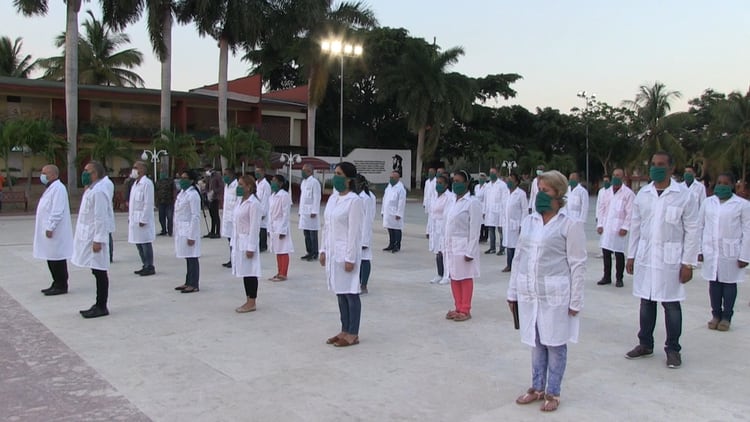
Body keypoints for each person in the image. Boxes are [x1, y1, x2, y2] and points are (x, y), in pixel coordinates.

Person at [507, 170, 586, 412]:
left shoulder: (569, 225)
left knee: (556, 343)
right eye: (538, 190)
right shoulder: (529, 221)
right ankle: (536, 386)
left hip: (556, 295)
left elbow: (578, 264)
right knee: (536, 340)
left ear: (558, 194)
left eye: (545, 191)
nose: (540, 195)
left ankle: (553, 391)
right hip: (530, 292)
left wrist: (576, 301)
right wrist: (513, 293)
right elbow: (519, 256)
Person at [625, 151, 700, 369]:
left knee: (671, 305)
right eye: (653, 164)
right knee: (646, 302)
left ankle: (673, 349)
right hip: (647, 257)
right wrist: (631, 255)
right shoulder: (643, 194)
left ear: (671, 168)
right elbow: (636, 227)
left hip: (671, 260)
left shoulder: (684, 195)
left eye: (661, 164)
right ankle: (645, 344)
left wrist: (688, 263)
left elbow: (693, 230)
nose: (656, 167)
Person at [698, 173, 750, 332]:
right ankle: (715, 315)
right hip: (711, 250)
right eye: (719, 182)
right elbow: (700, 226)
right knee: (713, 283)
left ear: (733, 185)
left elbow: (748, 231)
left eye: (726, 183)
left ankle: (726, 317)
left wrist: (745, 255)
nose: (722, 185)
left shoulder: (742, 204)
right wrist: (699, 249)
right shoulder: (708, 202)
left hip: (732, 251)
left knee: (728, 283)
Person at [321, 162, 364, 347]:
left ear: (348, 179)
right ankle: (344, 329)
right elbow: (327, 227)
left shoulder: (354, 201)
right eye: (334, 173)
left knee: (351, 293)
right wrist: (323, 250)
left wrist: (350, 258)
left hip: (346, 253)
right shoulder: (333, 199)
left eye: (338, 174)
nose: (335, 177)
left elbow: (355, 233)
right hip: (332, 252)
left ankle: (353, 332)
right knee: (340, 292)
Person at [71, 161, 114, 318]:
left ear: (95, 173)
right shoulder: (92, 189)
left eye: (87, 171)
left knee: (100, 271)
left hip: (95, 237)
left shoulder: (99, 191)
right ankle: (98, 304)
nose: (84, 173)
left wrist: (98, 240)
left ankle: (102, 305)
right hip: (88, 235)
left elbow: (100, 218)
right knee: (96, 271)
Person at [444, 170, 482, 322]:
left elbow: (475, 229)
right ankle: (458, 306)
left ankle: (465, 309)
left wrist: (470, 251)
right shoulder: (452, 201)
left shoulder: (472, 203)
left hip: (464, 245)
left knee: (465, 277)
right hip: (451, 244)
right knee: (454, 276)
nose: (456, 184)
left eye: (459, 181)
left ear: (467, 183)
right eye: (454, 181)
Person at [34, 164, 74, 296]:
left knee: (57, 258)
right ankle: (55, 282)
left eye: (45, 173)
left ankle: (61, 284)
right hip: (48, 230)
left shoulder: (59, 189)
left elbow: (57, 210)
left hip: (55, 230)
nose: (42, 175)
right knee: (50, 257)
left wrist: (51, 226)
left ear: (53, 174)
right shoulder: (51, 188)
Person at [596, 169, 635, 287]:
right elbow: (601, 209)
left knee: (619, 254)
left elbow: (630, 212)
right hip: (607, 227)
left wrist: (625, 227)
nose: (615, 177)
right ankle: (606, 276)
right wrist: (600, 224)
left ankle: (619, 278)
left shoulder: (628, 194)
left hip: (619, 229)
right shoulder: (606, 192)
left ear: (623, 177)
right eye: (614, 175)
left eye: (618, 175)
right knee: (606, 253)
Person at [231, 174, 262, 313]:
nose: (238, 187)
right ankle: (248, 299)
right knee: (244, 271)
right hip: (239, 240)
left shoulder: (254, 204)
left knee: (250, 272)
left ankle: (252, 301)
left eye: (241, 185)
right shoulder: (240, 201)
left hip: (248, 241)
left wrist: (251, 247)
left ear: (249, 187)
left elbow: (255, 227)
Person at [173, 170, 202, 293]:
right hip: (181, 229)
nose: (181, 180)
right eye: (181, 177)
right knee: (187, 257)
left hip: (189, 230)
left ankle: (194, 284)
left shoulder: (193, 195)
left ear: (191, 180)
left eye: (185, 178)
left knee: (192, 257)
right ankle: (188, 281)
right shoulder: (182, 193)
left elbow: (195, 216)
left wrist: (192, 235)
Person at [128, 161, 156, 276]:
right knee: (138, 243)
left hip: (143, 219)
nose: (134, 170)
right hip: (135, 218)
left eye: (136, 168)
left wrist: (144, 219)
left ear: (143, 170)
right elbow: (132, 203)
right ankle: (144, 264)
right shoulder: (135, 184)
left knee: (145, 243)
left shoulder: (147, 183)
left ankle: (150, 266)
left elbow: (148, 203)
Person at [428, 174, 455, 284]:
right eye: (437, 183)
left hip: (444, 227)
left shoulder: (449, 197)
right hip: (435, 227)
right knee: (438, 252)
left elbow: (448, 214)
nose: (438, 185)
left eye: (440, 183)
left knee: (445, 252)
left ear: (446, 185)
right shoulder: (435, 195)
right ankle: (440, 273)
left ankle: (447, 275)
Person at [268, 174, 294, 281]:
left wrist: (283, 230)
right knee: (277, 250)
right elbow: (269, 212)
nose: (272, 183)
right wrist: (269, 228)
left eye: (275, 181)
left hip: (281, 225)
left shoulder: (284, 195)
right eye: (272, 181)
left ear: (281, 183)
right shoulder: (272, 196)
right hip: (274, 225)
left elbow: (285, 213)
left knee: (283, 250)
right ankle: (279, 271)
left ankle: (284, 273)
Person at [502, 173, 528, 272]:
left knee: (516, 246)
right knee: (508, 245)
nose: (509, 182)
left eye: (511, 180)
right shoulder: (506, 193)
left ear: (516, 182)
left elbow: (525, 210)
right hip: (507, 224)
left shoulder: (521, 194)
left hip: (516, 223)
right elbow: (503, 209)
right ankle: (509, 264)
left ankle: (516, 265)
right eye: (508, 180)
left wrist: (522, 225)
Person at [357, 174, 376, 294]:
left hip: (364, 234)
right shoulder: (356, 196)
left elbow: (368, 220)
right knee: (357, 260)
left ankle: (364, 285)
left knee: (365, 259)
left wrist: (364, 240)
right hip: (356, 233)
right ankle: (357, 282)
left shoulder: (366, 198)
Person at [298, 164, 321, 261]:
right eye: (302, 170)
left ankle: (315, 253)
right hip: (304, 212)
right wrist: (300, 210)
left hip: (311, 212)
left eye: (305, 170)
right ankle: (309, 251)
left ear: (310, 172)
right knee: (306, 233)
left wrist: (314, 211)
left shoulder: (314, 182)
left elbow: (317, 197)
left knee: (313, 234)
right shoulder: (303, 182)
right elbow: (302, 198)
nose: (303, 172)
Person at [483, 168, 508, 255]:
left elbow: (505, 199)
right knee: (491, 230)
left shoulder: (502, 185)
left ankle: (502, 248)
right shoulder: (487, 185)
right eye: (490, 173)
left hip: (499, 211)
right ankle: (492, 248)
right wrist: (484, 211)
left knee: (500, 230)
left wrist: (504, 211)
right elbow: (485, 199)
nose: (491, 174)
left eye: (493, 172)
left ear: (497, 173)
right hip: (490, 211)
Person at [382, 170, 406, 253]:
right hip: (388, 211)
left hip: (395, 212)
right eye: (390, 177)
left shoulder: (400, 188)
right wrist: (383, 211)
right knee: (390, 228)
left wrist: (399, 213)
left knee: (397, 229)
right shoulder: (389, 186)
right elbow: (384, 199)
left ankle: (397, 245)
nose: (391, 179)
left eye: (392, 178)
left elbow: (401, 202)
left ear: (397, 178)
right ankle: (391, 244)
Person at [221, 168, 239, 268]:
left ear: (232, 175)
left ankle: (235, 260)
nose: (224, 177)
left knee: (235, 241)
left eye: (226, 174)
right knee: (230, 241)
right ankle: (232, 259)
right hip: (228, 218)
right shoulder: (227, 186)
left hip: (234, 219)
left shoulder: (237, 186)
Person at [594, 176, 611, 259]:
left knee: (610, 234)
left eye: (607, 181)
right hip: (602, 216)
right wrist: (597, 216)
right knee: (602, 234)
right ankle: (602, 251)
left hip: (610, 216)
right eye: (604, 181)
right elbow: (599, 204)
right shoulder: (601, 191)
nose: (605, 182)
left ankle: (611, 251)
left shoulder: (612, 191)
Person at [255, 167, 272, 252]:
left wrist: (263, 213)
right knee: (257, 228)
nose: (257, 173)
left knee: (263, 228)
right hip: (256, 208)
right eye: (256, 171)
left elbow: (266, 200)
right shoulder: (256, 183)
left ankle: (263, 245)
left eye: (259, 171)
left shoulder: (266, 185)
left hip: (263, 210)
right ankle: (258, 244)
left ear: (263, 172)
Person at [203, 164, 222, 238]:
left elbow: (221, 186)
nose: (206, 171)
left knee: (216, 215)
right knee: (211, 215)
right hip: (209, 198)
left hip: (215, 198)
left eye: (207, 169)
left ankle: (217, 232)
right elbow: (207, 185)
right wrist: (207, 192)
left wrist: (214, 191)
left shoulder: (217, 176)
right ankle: (212, 231)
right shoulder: (209, 176)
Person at [423, 167, 437, 238]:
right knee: (429, 217)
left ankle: (430, 232)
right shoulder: (427, 182)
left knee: (432, 217)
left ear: (434, 173)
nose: (430, 173)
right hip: (428, 202)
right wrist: (424, 203)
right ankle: (428, 231)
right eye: (429, 172)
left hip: (434, 202)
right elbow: (425, 193)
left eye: (431, 172)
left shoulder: (436, 181)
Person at [475, 172, 489, 243]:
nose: (481, 179)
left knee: (484, 223)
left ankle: (485, 237)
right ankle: (480, 236)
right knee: (479, 223)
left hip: (483, 205)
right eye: (480, 178)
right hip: (477, 206)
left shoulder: (487, 186)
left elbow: (486, 198)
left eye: (482, 178)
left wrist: (485, 210)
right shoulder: (476, 187)